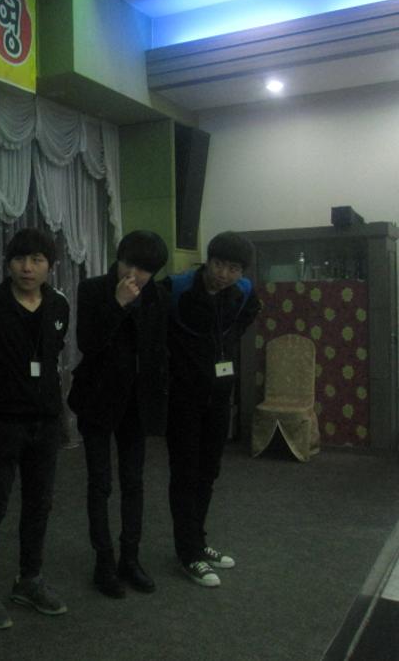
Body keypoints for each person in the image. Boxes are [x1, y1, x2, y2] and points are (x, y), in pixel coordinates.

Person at [0, 228, 71, 630]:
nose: (28, 267)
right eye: (20, 259)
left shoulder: (59, 304)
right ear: (8, 264)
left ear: (49, 266)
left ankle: (29, 579)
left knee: (40, 504)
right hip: (3, 422)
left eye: (37, 260)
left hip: (46, 422)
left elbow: (53, 358)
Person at [67, 230, 169, 599]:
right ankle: (104, 561)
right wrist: (118, 303)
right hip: (97, 398)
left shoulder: (158, 296)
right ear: (118, 257)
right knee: (100, 483)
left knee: (133, 481)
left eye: (144, 270)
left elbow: (158, 350)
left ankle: (130, 557)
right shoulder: (94, 289)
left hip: (137, 403)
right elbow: (88, 343)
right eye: (129, 264)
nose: (134, 274)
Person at [162, 231, 260, 587]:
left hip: (219, 396)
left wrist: (224, 346)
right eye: (219, 265)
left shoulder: (243, 291)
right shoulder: (176, 288)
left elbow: (247, 316)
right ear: (208, 259)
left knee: (208, 472)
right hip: (183, 398)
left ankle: (198, 542)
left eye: (234, 269)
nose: (224, 274)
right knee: (185, 474)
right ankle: (187, 553)